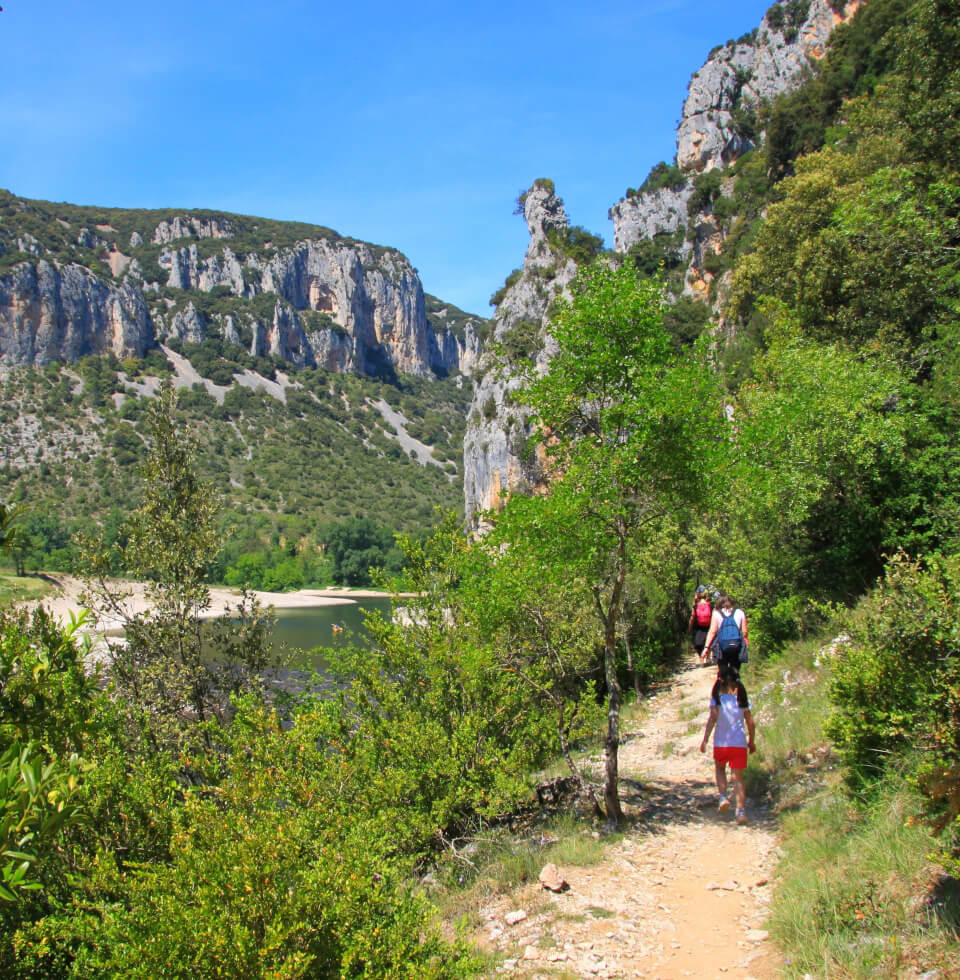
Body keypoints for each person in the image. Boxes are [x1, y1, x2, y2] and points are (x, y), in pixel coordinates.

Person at [700, 662, 756, 825]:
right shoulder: (741, 699)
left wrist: (705, 739)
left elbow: (712, 719)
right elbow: (751, 723)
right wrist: (751, 742)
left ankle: (723, 797)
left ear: (721, 681)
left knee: (719, 769)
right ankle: (740, 811)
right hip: (739, 743)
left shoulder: (717, 700)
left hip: (721, 743)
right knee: (737, 778)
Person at [701, 593, 748, 671]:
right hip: (736, 647)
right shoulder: (740, 612)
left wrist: (706, 648)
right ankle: (736, 680)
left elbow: (712, 632)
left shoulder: (716, 613)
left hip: (721, 648)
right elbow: (745, 632)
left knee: (722, 673)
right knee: (735, 672)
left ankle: (723, 680)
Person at [688, 585, 713, 665]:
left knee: (697, 643)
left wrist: (690, 627)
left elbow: (692, 617)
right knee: (708, 641)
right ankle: (707, 657)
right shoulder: (710, 605)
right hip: (708, 626)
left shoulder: (696, 606)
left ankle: (702, 658)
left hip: (699, 627)